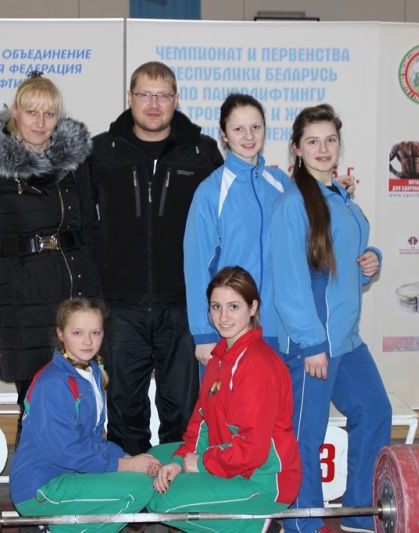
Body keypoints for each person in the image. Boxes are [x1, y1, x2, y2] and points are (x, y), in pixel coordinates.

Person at [82, 61, 223, 455]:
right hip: (120, 308)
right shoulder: (101, 152)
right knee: (125, 411)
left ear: (176, 99)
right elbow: (78, 221)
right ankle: (133, 485)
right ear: (130, 98)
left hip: (183, 307)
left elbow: (232, 216)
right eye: (145, 94)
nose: (154, 104)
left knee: (182, 411)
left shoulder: (202, 152)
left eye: (163, 95)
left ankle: (176, 487)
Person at [271, 104, 391, 533]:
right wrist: (311, 344)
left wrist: (372, 261)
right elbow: (290, 283)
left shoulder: (339, 195)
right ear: (297, 149)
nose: (323, 149)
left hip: (345, 338)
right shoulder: (292, 204)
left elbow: (343, 264)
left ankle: (358, 512)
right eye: (312, 141)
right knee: (307, 435)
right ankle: (302, 525)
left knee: (374, 411)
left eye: (330, 140)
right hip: (313, 342)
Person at [0, 72, 101, 443]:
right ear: (15, 113)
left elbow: (91, 235)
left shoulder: (76, 166)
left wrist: (98, 303)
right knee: (35, 402)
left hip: (74, 298)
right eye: (32, 112)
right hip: (20, 304)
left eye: (49, 114)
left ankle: (79, 476)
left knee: (80, 401)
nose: (40, 122)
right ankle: (32, 478)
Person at [184, 93, 356, 363]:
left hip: (278, 329)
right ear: (224, 135)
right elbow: (196, 267)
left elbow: (313, 216)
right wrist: (204, 333)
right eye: (238, 129)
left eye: (256, 127)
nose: (249, 136)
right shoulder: (210, 192)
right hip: (230, 329)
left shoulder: (279, 183)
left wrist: (333, 190)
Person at [148, 266, 300, 533]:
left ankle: (263, 526)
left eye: (233, 307)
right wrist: (180, 460)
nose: (223, 317)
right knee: (154, 460)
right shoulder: (220, 357)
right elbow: (201, 423)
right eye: (216, 307)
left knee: (163, 502)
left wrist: (201, 463)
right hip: (230, 461)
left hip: (263, 480)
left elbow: (252, 451)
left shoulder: (257, 364)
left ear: (253, 307)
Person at [10, 298, 160, 533]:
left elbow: (94, 440)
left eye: (95, 333)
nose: (88, 341)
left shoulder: (92, 372)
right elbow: (64, 451)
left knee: (145, 472)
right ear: (61, 333)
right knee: (140, 488)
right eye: (77, 333)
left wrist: (127, 457)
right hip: (40, 488)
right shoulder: (53, 383)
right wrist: (124, 464)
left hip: (71, 474)